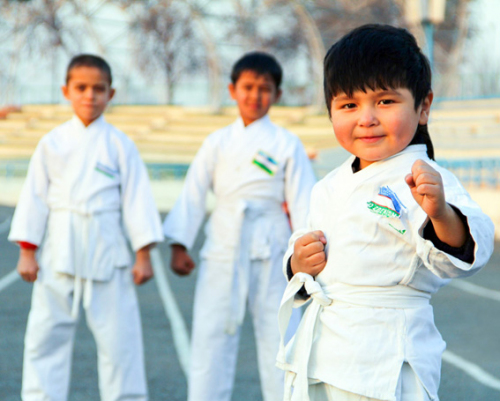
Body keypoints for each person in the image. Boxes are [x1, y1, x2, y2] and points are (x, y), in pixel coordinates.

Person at [276, 25, 495, 401]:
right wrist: (298, 261)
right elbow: (306, 242)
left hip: (385, 361)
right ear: (330, 111)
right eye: (349, 105)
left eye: (385, 101)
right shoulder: (328, 184)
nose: (366, 118)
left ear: (423, 106)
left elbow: (468, 249)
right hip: (322, 354)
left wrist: (441, 213)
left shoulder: (425, 180)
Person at [162, 51, 316, 401]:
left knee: (281, 339)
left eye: (265, 88)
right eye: (247, 87)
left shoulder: (286, 143)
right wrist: (179, 246)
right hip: (223, 244)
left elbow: (305, 201)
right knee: (210, 336)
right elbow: (193, 193)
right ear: (232, 90)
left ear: (277, 95)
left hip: (274, 248)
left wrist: (305, 257)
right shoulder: (216, 142)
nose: (255, 95)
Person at [8, 54, 163, 401]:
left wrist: (143, 255)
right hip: (59, 249)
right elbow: (34, 197)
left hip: (107, 249)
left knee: (120, 343)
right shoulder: (52, 142)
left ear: (111, 93)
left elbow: (137, 200)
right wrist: (28, 253)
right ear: (66, 90)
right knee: (45, 338)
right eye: (81, 87)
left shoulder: (121, 144)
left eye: (98, 88)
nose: (89, 95)